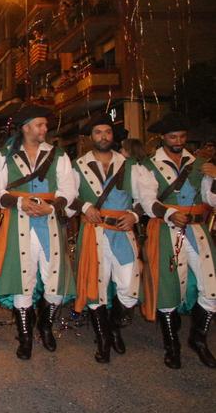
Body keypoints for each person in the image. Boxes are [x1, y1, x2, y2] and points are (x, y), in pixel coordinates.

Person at [0, 105, 77, 360]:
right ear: (26, 127)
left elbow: (68, 190)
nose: (44, 128)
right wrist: (19, 203)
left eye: (45, 125)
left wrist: (51, 206)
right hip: (18, 223)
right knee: (23, 280)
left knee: (54, 280)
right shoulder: (4, 156)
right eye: (40, 124)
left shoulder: (58, 155)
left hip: (49, 223)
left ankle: (45, 326)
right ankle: (25, 335)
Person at [137, 112, 216, 369]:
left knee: (212, 286)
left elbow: (211, 200)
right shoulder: (148, 165)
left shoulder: (199, 164)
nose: (178, 140)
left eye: (182, 136)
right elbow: (147, 201)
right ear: (163, 137)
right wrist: (170, 213)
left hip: (198, 231)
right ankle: (172, 345)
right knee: (168, 289)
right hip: (167, 230)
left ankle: (198, 339)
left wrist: (215, 177)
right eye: (173, 136)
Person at [70, 116, 144, 363]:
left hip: (123, 233)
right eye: (98, 132)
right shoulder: (78, 165)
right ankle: (104, 340)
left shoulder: (130, 165)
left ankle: (112, 328)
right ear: (91, 137)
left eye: (107, 132)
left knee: (129, 287)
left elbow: (144, 199)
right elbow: (68, 197)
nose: (103, 136)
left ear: (114, 136)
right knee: (96, 287)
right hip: (94, 232)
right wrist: (85, 206)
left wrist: (134, 215)